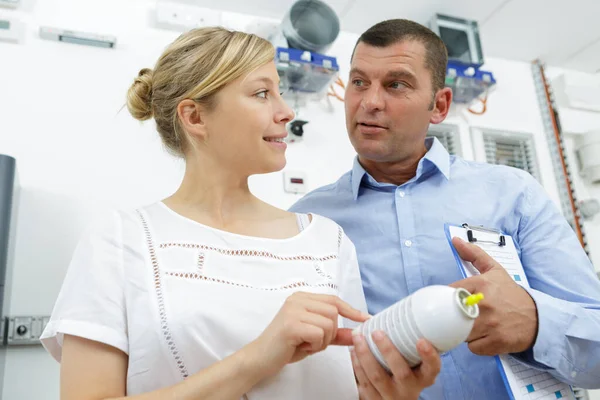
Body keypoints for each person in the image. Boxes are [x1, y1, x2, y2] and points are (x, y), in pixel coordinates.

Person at [39, 27, 442, 400]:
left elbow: (352, 381)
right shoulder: (121, 239)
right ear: (195, 117)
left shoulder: (327, 239)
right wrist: (260, 357)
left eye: (279, 92)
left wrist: (392, 391)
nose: (286, 112)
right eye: (261, 93)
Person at [291, 18, 600, 399]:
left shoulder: (513, 194)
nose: (369, 101)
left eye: (395, 84)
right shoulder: (306, 220)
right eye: (358, 82)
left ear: (439, 105)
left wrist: (536, 323)